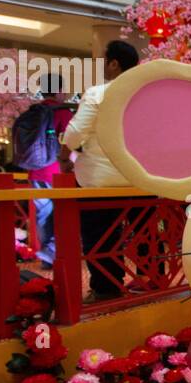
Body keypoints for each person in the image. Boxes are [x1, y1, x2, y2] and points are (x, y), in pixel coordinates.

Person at [62, 40, 139, 300]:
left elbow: (74, 134)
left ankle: (107, 288)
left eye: (105, 60)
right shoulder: (146, 93)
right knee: (144, 231)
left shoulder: (97, 93)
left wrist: (66, 154)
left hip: (101, 180)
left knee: (101, 236)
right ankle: (153, 279)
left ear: (114, 63)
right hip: (141, 178)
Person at [11, 73, 73, 266]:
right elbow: (72, 140)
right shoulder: (62, 111)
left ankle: (48, 258)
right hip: (59, 171)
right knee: (66, 213)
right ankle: (51, 252)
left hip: (35, 170)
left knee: (43, 215)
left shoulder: (34, 112)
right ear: (60, 91)